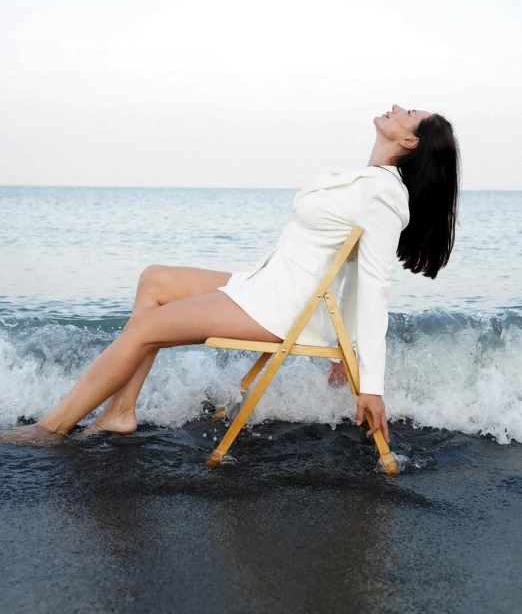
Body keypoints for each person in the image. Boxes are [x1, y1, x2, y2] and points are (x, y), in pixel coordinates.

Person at [0, 104, 460, 447]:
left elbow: (374, 284)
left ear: (410, 142)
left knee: (145, 328)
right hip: (268, 284)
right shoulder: (368, 181)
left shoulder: (384, 196)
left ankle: (51, 428)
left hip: (282, 307)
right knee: (154, 280)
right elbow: (354, 270)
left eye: (409, 113)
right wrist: (346, 344)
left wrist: (367, 379)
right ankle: (120, 411)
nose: (397, 108)